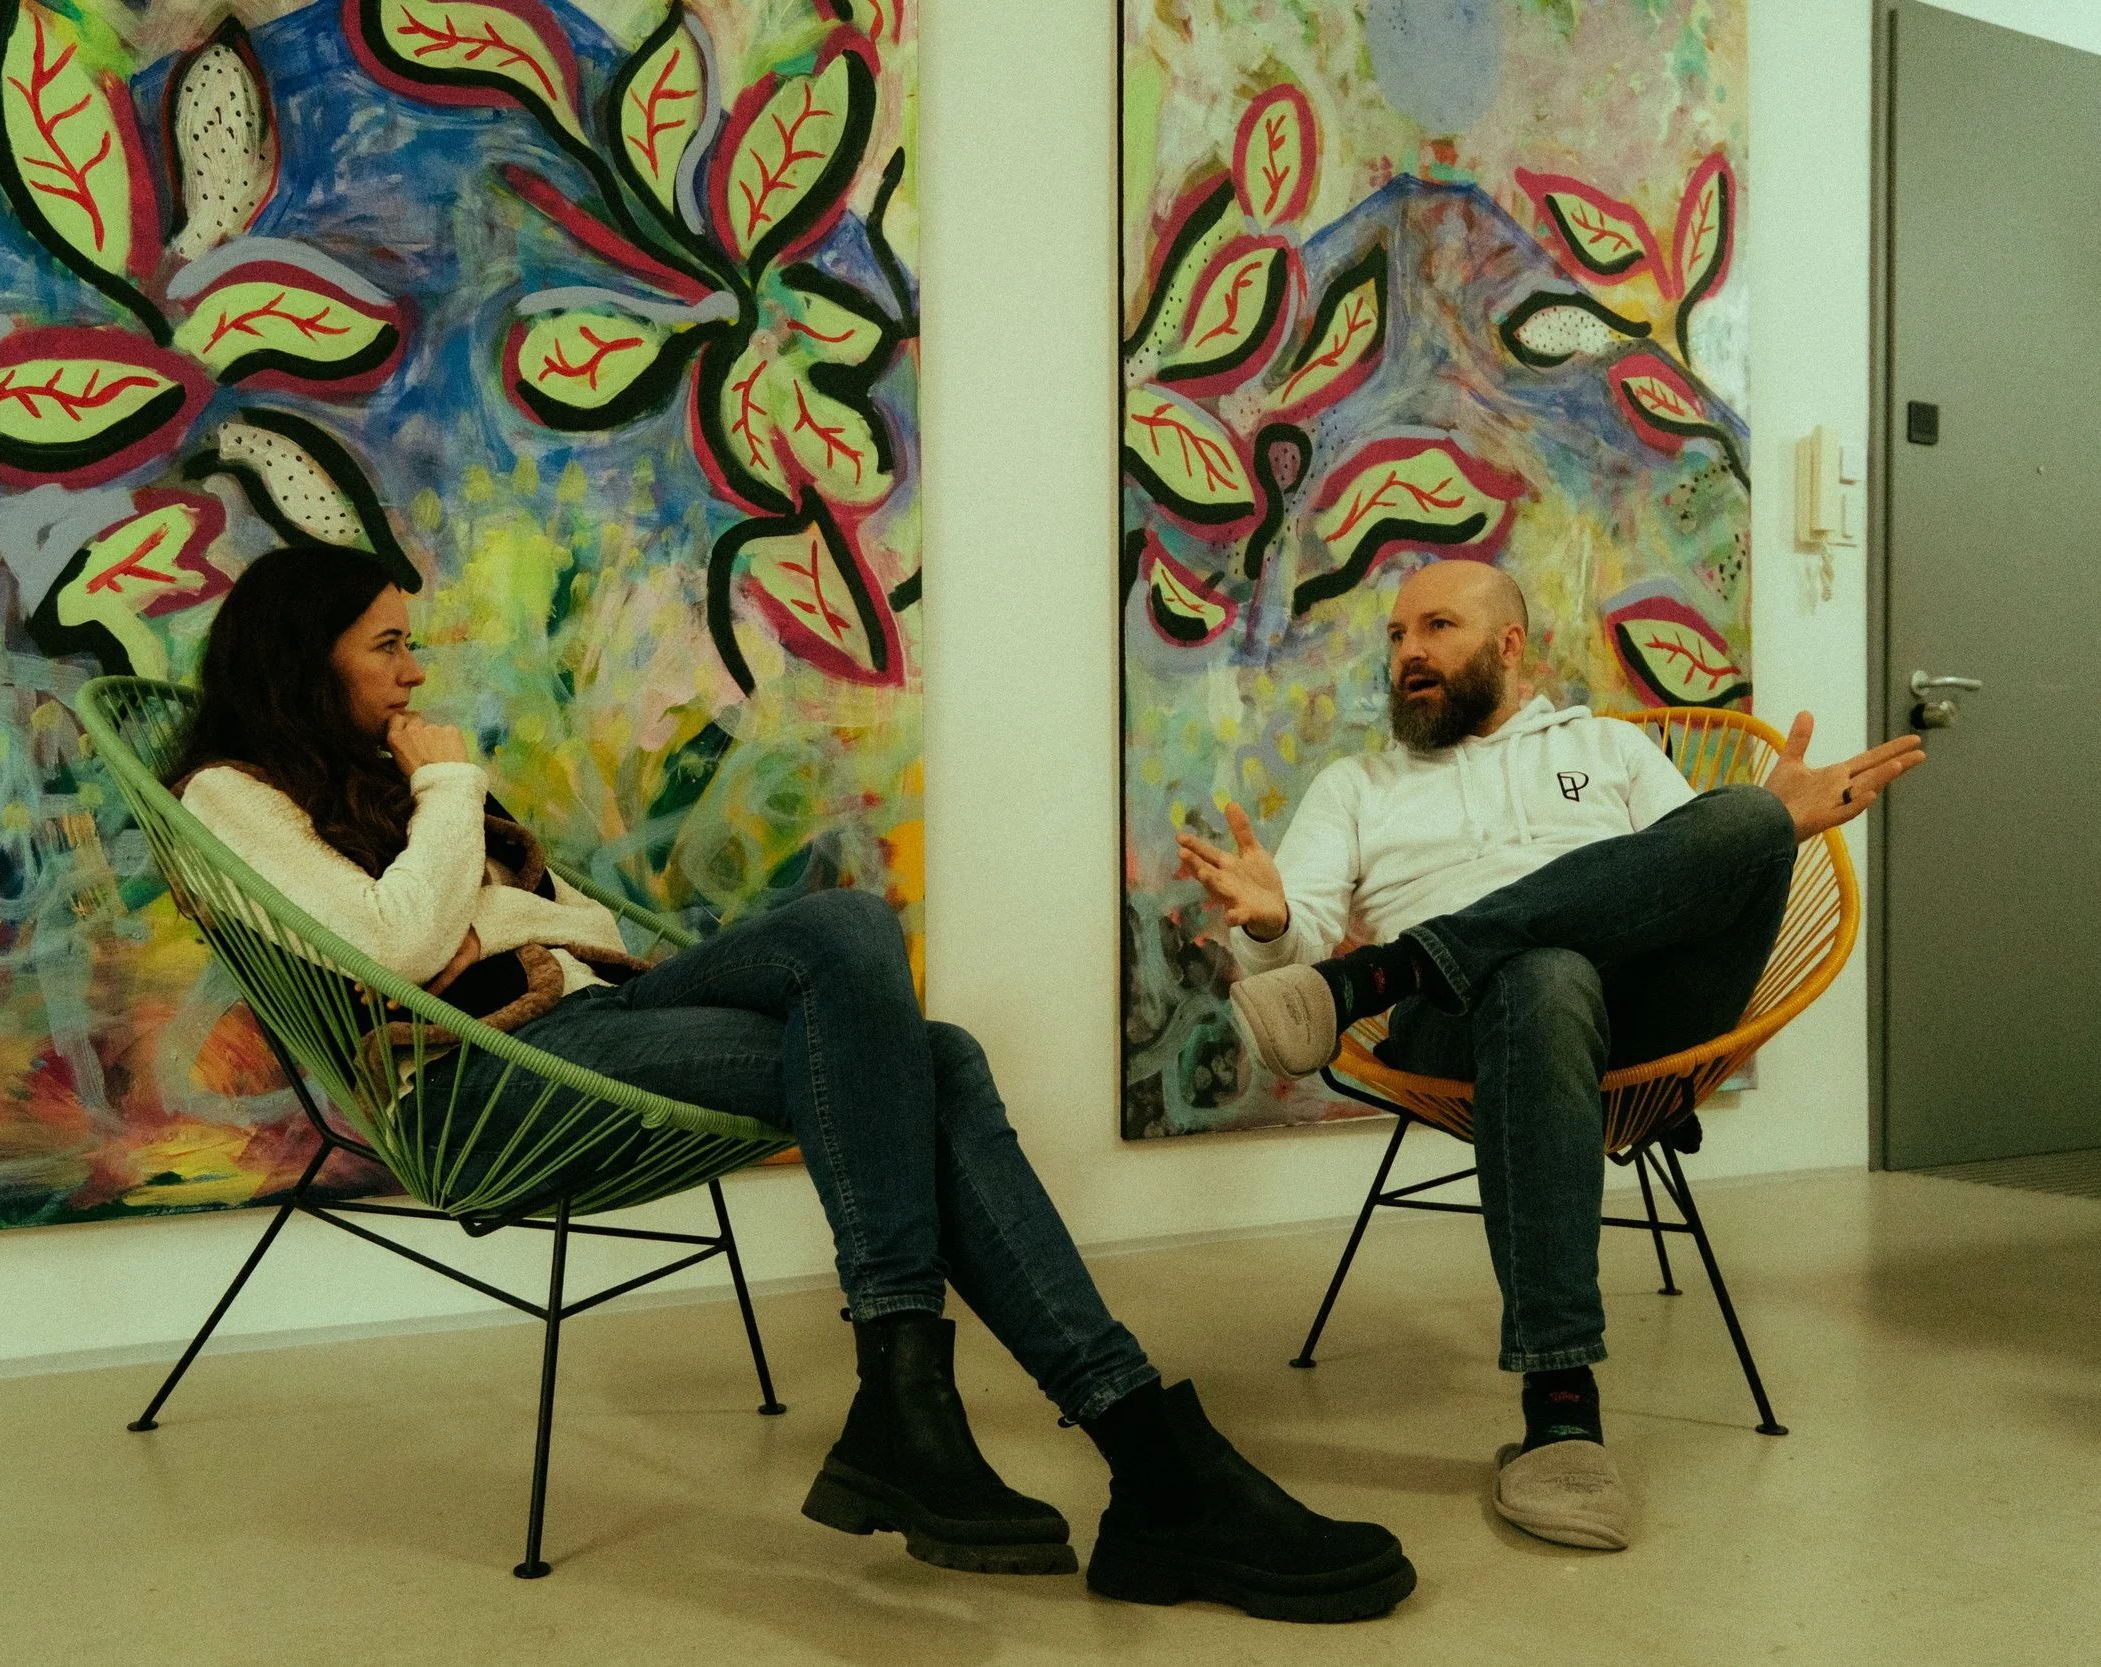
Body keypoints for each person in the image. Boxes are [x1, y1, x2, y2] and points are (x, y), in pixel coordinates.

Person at [169, 546, 1415, 1622]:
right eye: (387, 644)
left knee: (850, 929)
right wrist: (450, 790)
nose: (411, 670)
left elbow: (522, 921)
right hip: (485, 1079)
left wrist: (473, 889)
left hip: (597, 1011)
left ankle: (918, 1404)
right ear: (301, 654)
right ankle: (1138, 1456)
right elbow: (389, 946)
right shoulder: (231, 792)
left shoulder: (373, 779)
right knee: (932, 1060)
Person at [1176, 559, 1923, 1552]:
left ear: (1508, 645)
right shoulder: (1355, 783)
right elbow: (1294, 941)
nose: (1407, 653)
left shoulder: (1607, 748)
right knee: (1543, 975)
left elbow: (1681, 883)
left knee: (1745, 816)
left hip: (1646, 1015)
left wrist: (1762, 822)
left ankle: (1388, 970)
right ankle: (1560, 1403)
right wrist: (1271, 924)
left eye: (1435, 626)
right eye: (1396, 636)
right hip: (1463, 1031)